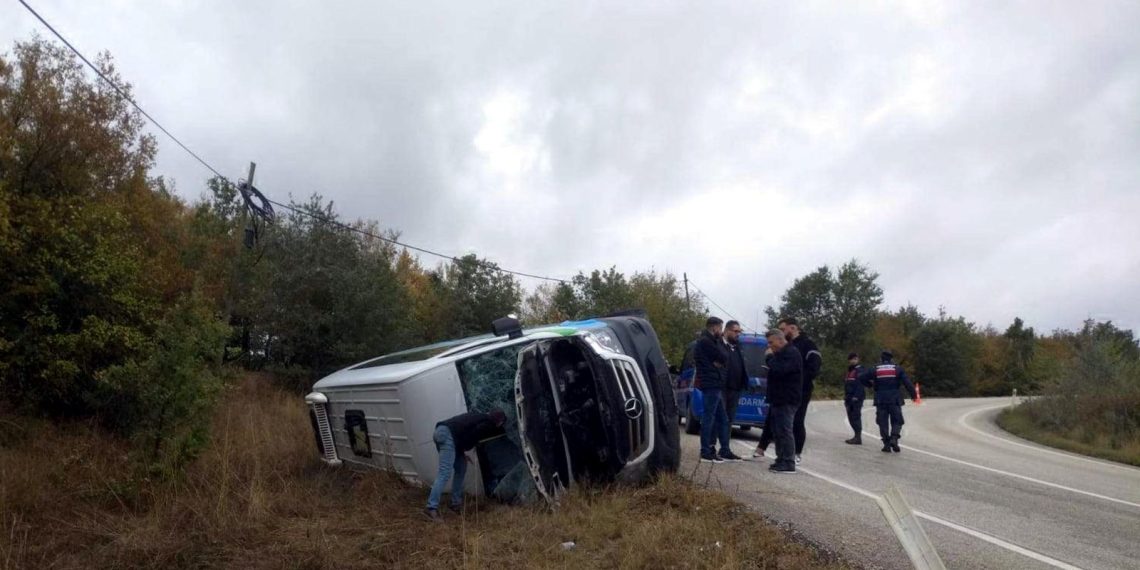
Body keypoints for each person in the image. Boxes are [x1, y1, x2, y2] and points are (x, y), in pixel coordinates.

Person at [424, 409, 507, 521]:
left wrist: (461, 452)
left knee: (461, 467)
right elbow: (471, 437)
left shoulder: (479, 416)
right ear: (498, 422)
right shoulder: (486, 423)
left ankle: (456, 504)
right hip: (448, 436)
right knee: (444, 473)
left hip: (444, 432)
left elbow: (462, 433)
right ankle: (431, 508)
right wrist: (468, 447)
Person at [695, 317, 742, 463]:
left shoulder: (712, 341)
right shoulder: (705, 341)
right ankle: (706, 450)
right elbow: (723, 356)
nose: (721, 332)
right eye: (720, 328)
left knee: (723, 418)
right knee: (709, 417)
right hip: (711, 383)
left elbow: (723, 358)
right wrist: (718, 361)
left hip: (716, 383)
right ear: (714, 327)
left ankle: (725, 449)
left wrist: (719, 362)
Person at [777, 317, 822, 464]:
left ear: (793, 328)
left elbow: (814, 369)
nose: (781, 333)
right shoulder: (786, 345)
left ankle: (796, 453)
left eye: (783, 329)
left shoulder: (808, 345)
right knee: (783, 422)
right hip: (785, 389)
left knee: (797, 420)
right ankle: (782, 454)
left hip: (802, 390)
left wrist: (798, 379)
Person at [857, 351, 917, 453]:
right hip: (895, 399)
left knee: (882, 422)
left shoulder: (875, 368)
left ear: (881, 358)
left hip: (881, 400)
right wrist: (914, 395)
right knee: (897, 421)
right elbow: (907, 383)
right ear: (891, 359)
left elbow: (861, 377)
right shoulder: (897, 369)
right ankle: (894, 438)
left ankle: (886, 444)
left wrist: (870, 385)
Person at [760, 329, 802, 473]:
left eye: (771, 342)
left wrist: (769, 358)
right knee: (777, 431)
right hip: (777, 397)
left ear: (780, 340)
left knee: (785, 430)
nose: (770, 346)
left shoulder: (792, 353)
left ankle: (789, 462)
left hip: (787, 398)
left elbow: (780, 370)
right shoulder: (781, 354)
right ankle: (781, 459)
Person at [722, 320, 749, 431]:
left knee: (729, 419)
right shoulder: (719, 345)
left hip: (735, 389)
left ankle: (725, 447)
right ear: (727, 331)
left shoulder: (739, 347)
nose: (738, 334)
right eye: (735, 331)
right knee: (718, 418)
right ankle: (711, 445)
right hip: (721, 388)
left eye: (739, 331)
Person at [843, 352, 866, 445]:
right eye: (850, 360)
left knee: (855, 417)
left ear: (857, 359)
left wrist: (856, 396)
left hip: (856, 398)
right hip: (849, 397)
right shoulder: (850, 370)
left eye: (853, 359)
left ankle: (858, 437)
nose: (852, 361)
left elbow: (860, 384)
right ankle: (856, 436)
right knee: (851, 417)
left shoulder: (860, 370)